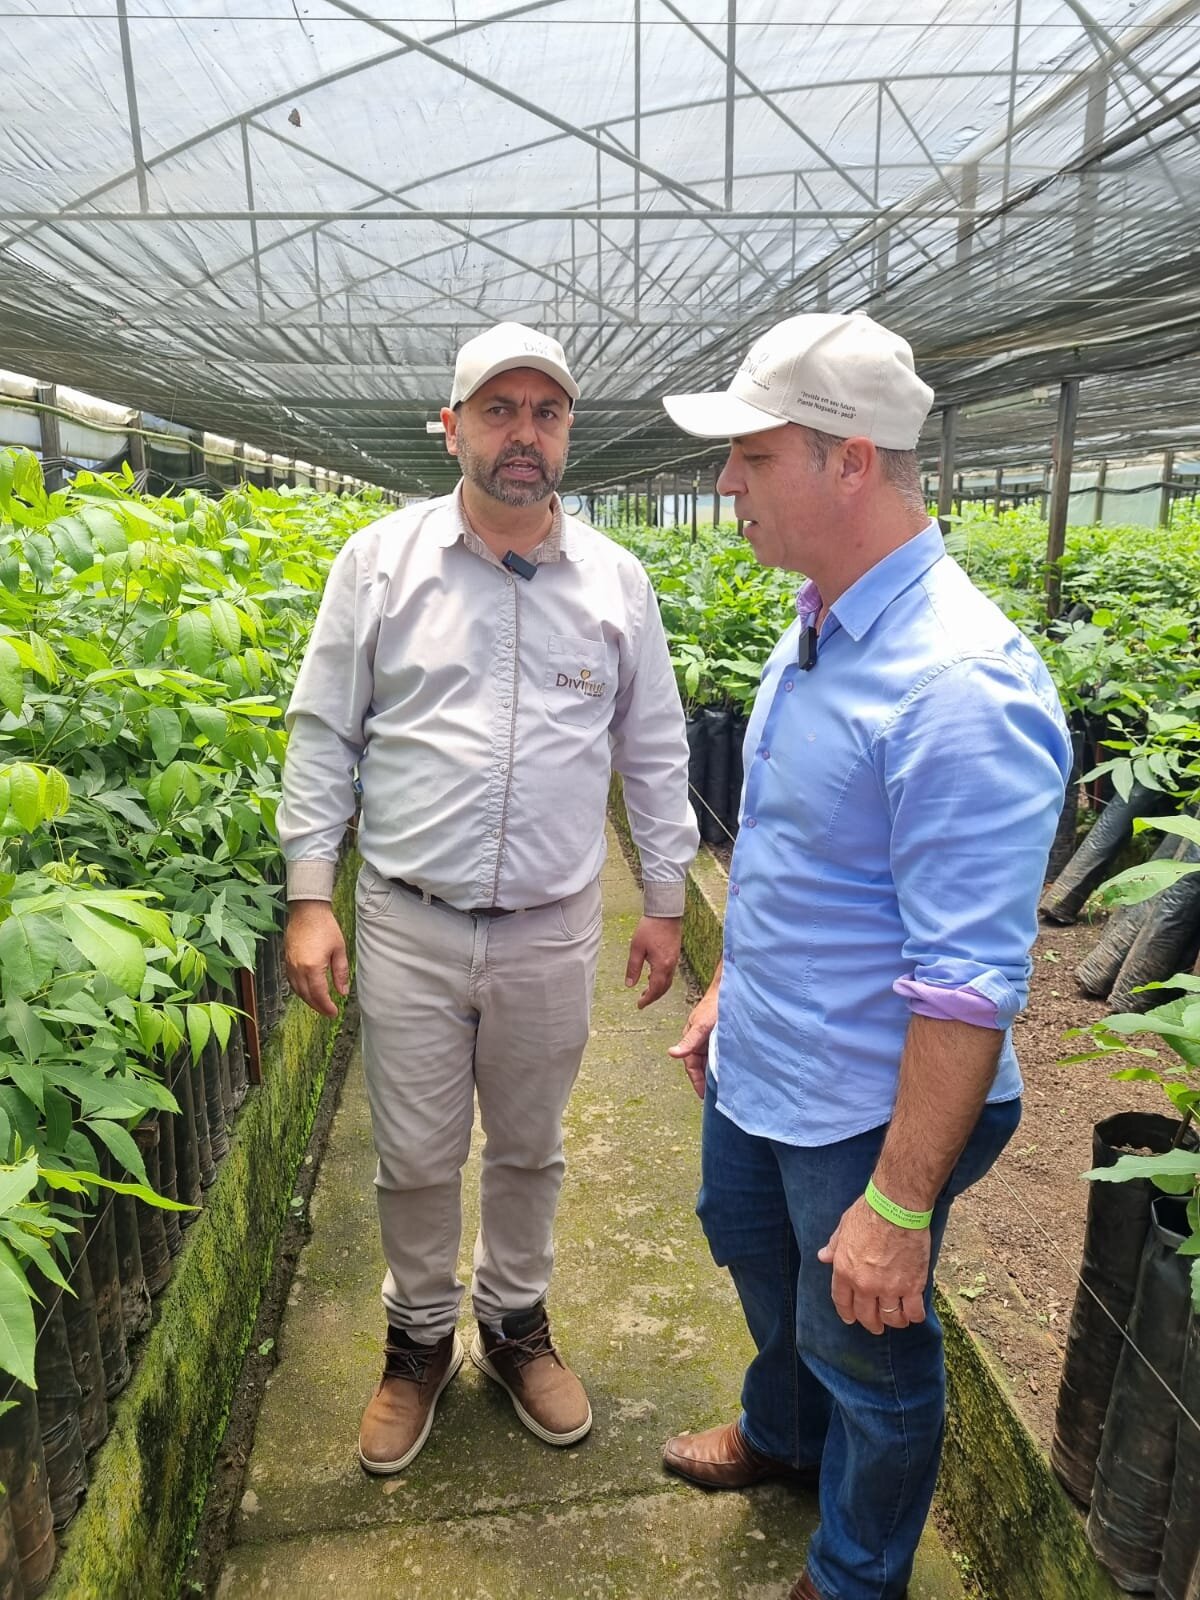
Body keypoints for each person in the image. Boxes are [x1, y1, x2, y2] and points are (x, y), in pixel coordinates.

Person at [658, 312, 1071, 1600]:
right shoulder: (819, 622)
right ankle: (782, 1437)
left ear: (849, 462)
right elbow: (793, 849)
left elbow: (969, 989)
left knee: (870, 1348)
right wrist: (730, 986)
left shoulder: (960, 686)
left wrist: (894, 1208)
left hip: (865, 1105)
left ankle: (852, 1576)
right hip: (766, 1059)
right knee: (755, 1252)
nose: (725, 481)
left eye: (751, 455)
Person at [278, 322, 698, 1477]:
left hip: (551, 927)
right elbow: (323, 731)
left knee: (527, 1146)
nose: (525, 433)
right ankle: (417, 1341)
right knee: (415, 1154)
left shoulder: (614, 581)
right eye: (499, 410)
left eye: (546, 413)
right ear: (452, 426)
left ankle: (514, 1326)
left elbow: (654, 744)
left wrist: (666, 897)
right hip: (408, 919)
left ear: (568, 434)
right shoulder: (380, 562)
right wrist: (310, 894)